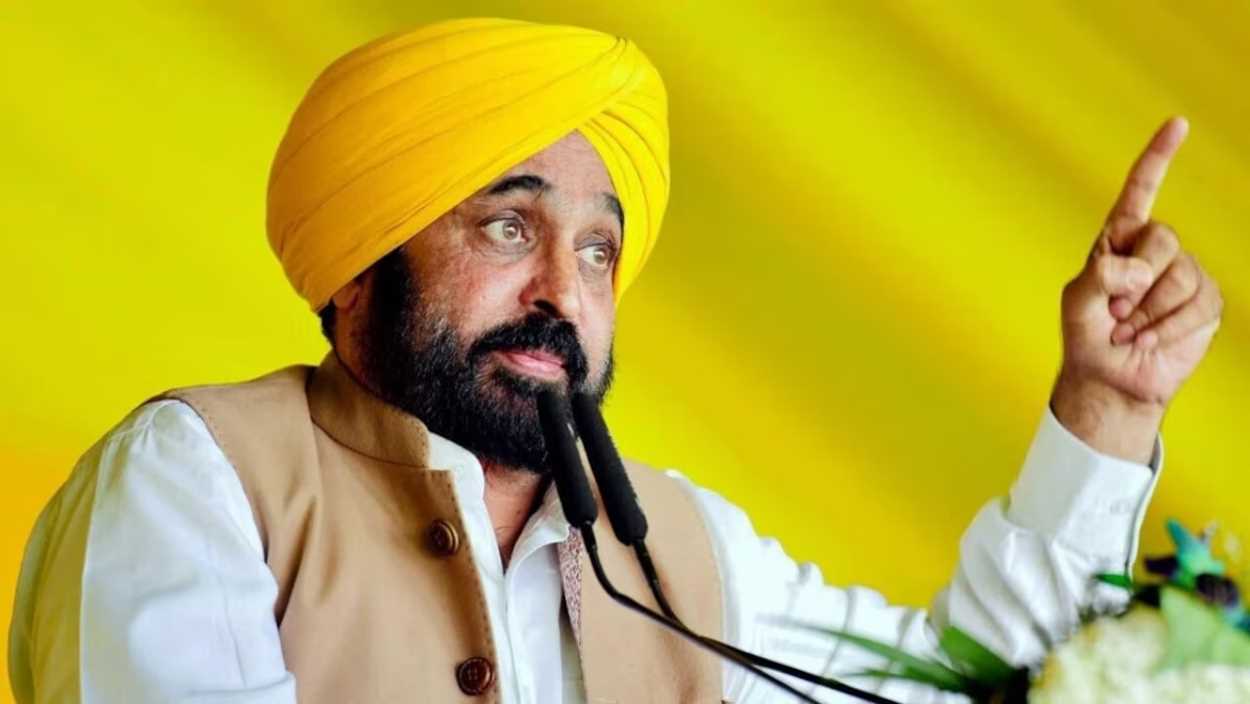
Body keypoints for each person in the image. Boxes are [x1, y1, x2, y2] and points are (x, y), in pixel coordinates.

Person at [8, 17, 1223, 704]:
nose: (563, 292)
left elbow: (970, 687)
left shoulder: (682, 551)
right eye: (506, 225)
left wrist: (1103, 407)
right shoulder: (198, 477)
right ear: (358, 263)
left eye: (597, 249)